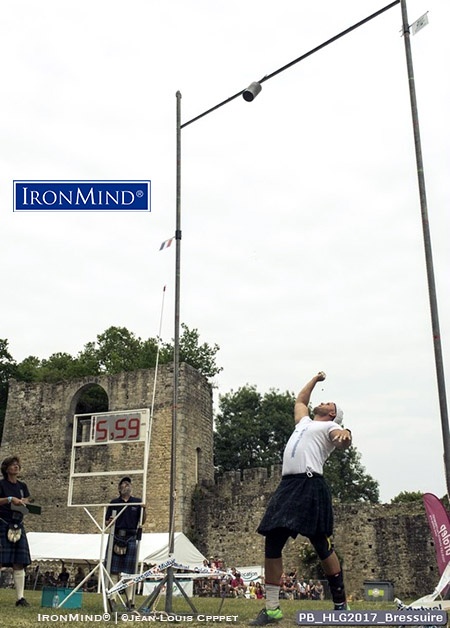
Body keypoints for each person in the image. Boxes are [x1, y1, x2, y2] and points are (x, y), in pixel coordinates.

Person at [249, 372, 352, 625]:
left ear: (332, 415)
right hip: (288, 485)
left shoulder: (329, 426)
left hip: (311, 484)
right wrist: (315, 379)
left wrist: (346, 434)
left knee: (321, 543)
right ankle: (272, 609)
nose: (326, 402)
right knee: (272, 540)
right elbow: (300, 401)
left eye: (331, 404)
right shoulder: (303, 423)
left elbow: (343, 438)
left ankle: (340, 605)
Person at [0, 455, 33, 607]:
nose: (16, 467)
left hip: (18, 523)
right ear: (6, 469)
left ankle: (20, 598)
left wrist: (25, 502)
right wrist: (9, 499)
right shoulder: (1, 484)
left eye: (17, 465)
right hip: (2, 522)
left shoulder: (22, 486)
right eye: (12, 465)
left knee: (19, 562)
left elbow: (27, 500)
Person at [105, 477, 145, 586]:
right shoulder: (114, 503)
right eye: (123, 484)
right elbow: (106, 523)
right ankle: (113, 597)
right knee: (113, 569)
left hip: (131, 536)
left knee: (130, 571)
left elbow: (143, 521)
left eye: (128, 484)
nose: (126, 485)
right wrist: (109, 521)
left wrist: (143, 509)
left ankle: (129, 600)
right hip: (116, 535)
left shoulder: (137, 502)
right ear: (119, 488)